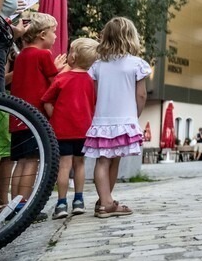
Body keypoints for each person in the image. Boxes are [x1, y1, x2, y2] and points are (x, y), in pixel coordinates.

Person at [85, 17, 151, 217]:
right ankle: (106, 203)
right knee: (114, 160)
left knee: (103, 160)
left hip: (103, 120)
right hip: (125, 120)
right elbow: (141, 95)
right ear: (131, 37)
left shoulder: (97, 66)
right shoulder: (137, 64)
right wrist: (135, 116)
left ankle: (105, 200)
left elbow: (96, 94)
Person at [9, 13, 67, 213]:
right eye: (53, 32)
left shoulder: (22, 55)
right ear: (42, 35)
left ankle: (15, 204)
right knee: (33, 160)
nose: (56, 36)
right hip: (35, 118)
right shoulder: (43, 55)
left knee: (21, 162)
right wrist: (61, 70)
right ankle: (25, 206)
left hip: (17, 117)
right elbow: (54, 84)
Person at [42, 37, 99, 219]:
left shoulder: (62, 79)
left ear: (72, 57)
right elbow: (94, 104)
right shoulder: (92, 82)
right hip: (84, 130)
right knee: (80, 164)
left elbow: (47, 101)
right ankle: (79, 200)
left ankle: (61, 204)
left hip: (62, 131)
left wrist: (55, 116)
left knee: (63, 167)